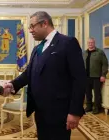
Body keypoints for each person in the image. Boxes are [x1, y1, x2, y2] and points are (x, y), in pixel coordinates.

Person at [5, 11, 87, 140]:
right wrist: (13, 84)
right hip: (40, 111)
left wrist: (75, 111)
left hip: (60, 112)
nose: (30, 30)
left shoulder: (67, 42)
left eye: (32, 26)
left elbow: (79, 79)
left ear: (44, 23)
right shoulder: (37, 48)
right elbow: (29, 73)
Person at [83, 38, 108, 114]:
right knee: (88, 93)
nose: (90, 44)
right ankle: (89, 106)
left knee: (97, 93)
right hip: (86, 76)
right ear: (87, 43)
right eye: (89, 42)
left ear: (94, 43)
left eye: (92, 42)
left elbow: (105, 64)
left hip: (97, 76)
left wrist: (103, 75)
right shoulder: (85, 53)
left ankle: (97, 107)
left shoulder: (100, 52)